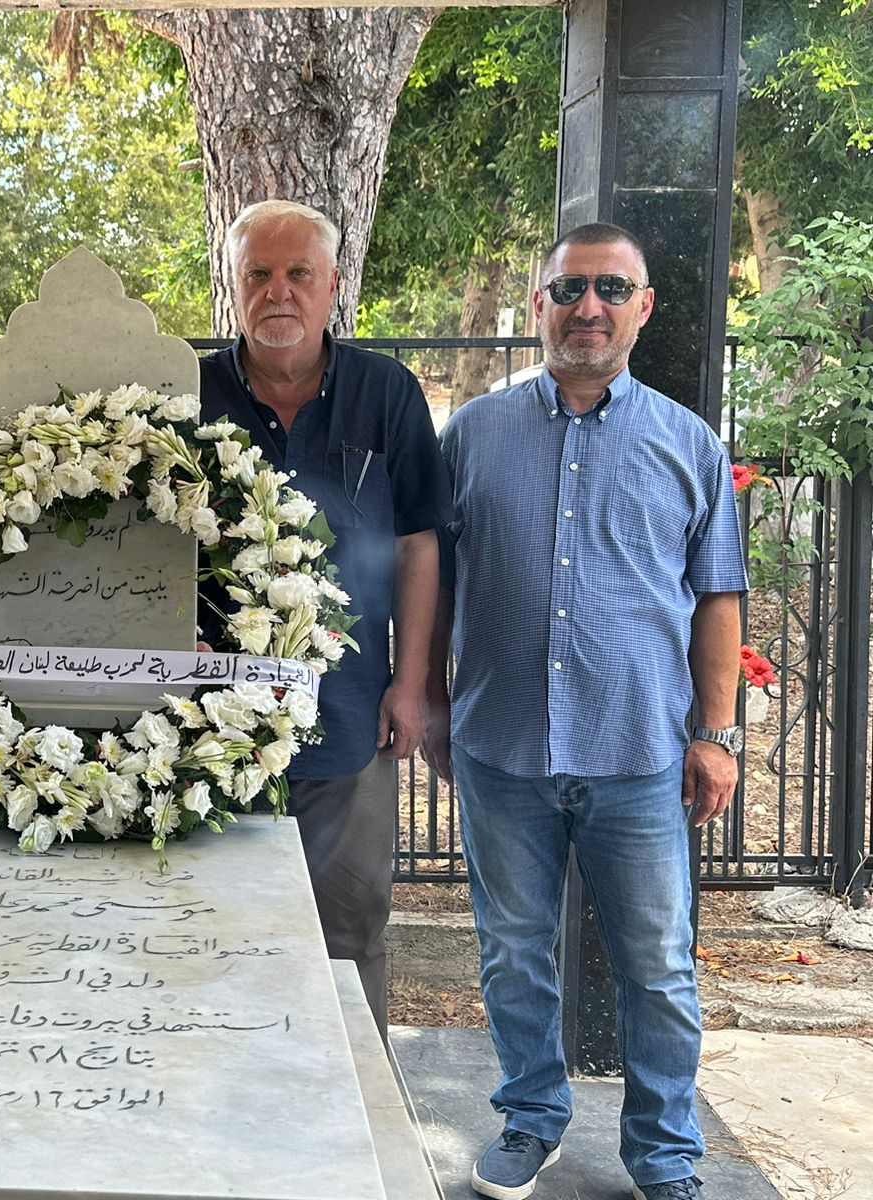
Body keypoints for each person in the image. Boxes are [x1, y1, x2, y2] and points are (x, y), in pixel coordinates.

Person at [426, 222, 747, 1200]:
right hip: (502, 746)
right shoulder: (472, 436)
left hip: (639, 752)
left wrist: (716, 735)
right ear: (538, 306)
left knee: (657, 967)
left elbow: (718, 597)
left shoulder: (689, 445)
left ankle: (664, 1155)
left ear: (642, 308)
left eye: (611, 289)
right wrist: (429, 696)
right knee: (513, 954)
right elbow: (433, 580)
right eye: (568, 290)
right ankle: (531, 1118)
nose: (589, 308)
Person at [197, 199, 450, 1036]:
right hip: (208, 724)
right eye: (258, 274)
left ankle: (357, 1101)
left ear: (333, 284)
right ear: (233, 284)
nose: (279, 292)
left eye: (299, 273)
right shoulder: (188, 393)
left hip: (349, 717)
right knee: (216, 935)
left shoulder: (386, 392)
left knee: (349, 929)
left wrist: (410, 684)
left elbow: (419, 545)